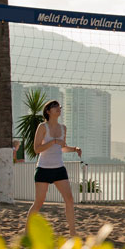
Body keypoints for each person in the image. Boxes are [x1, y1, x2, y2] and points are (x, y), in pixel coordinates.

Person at [26, 100, 82, 236]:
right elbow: (37, 149)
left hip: (59, 169)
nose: (58, 109)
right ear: (48, 111)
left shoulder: (63, 128)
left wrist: (74, 149)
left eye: (59, 107)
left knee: (69, 200)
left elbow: (61, 148)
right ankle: (27, 232)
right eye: (55, 107)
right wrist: (54, 141)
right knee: (39, 202)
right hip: (43, 169)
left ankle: (73, 233)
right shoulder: (42, 127)